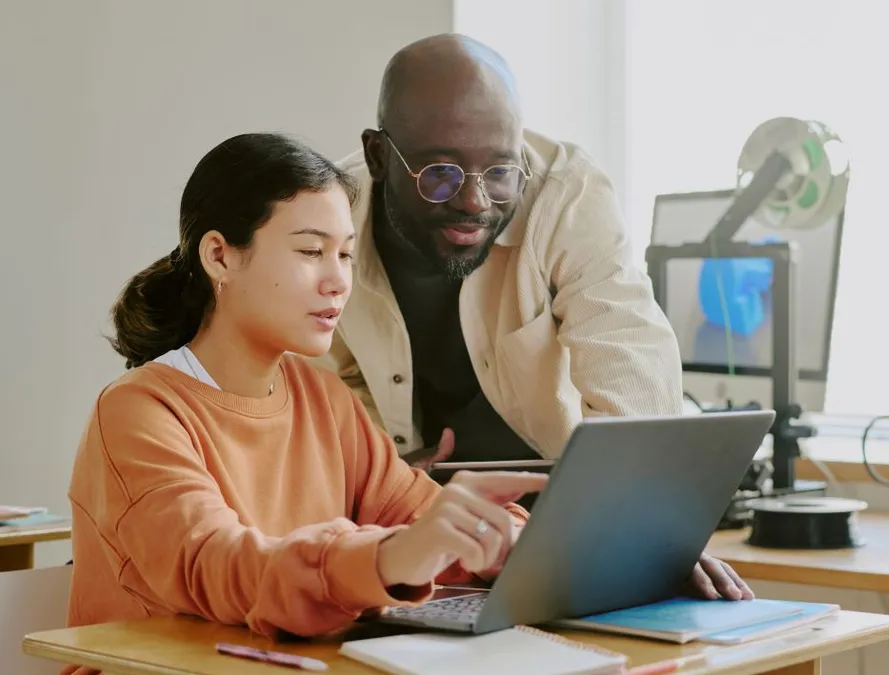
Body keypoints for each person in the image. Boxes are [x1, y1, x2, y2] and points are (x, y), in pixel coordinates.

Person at [63, 133, 549, 675]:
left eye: (344, 254)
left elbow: (414, 512)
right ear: (220, 256)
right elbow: (220, 568)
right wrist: (391, 556)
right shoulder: (139, 412)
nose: (338, 280)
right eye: (311, 252)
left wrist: (502, 538)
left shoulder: (322, 397)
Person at [317, 33, 753, 602]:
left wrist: (645, 528)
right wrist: (385, 474)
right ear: (379, 156)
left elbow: (629, 358)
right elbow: (326, 383)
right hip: (408, 520)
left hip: (569, 511)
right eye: (440, 174)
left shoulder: (564, 194)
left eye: (500, 171)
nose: (474, 203)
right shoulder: (330, 213)